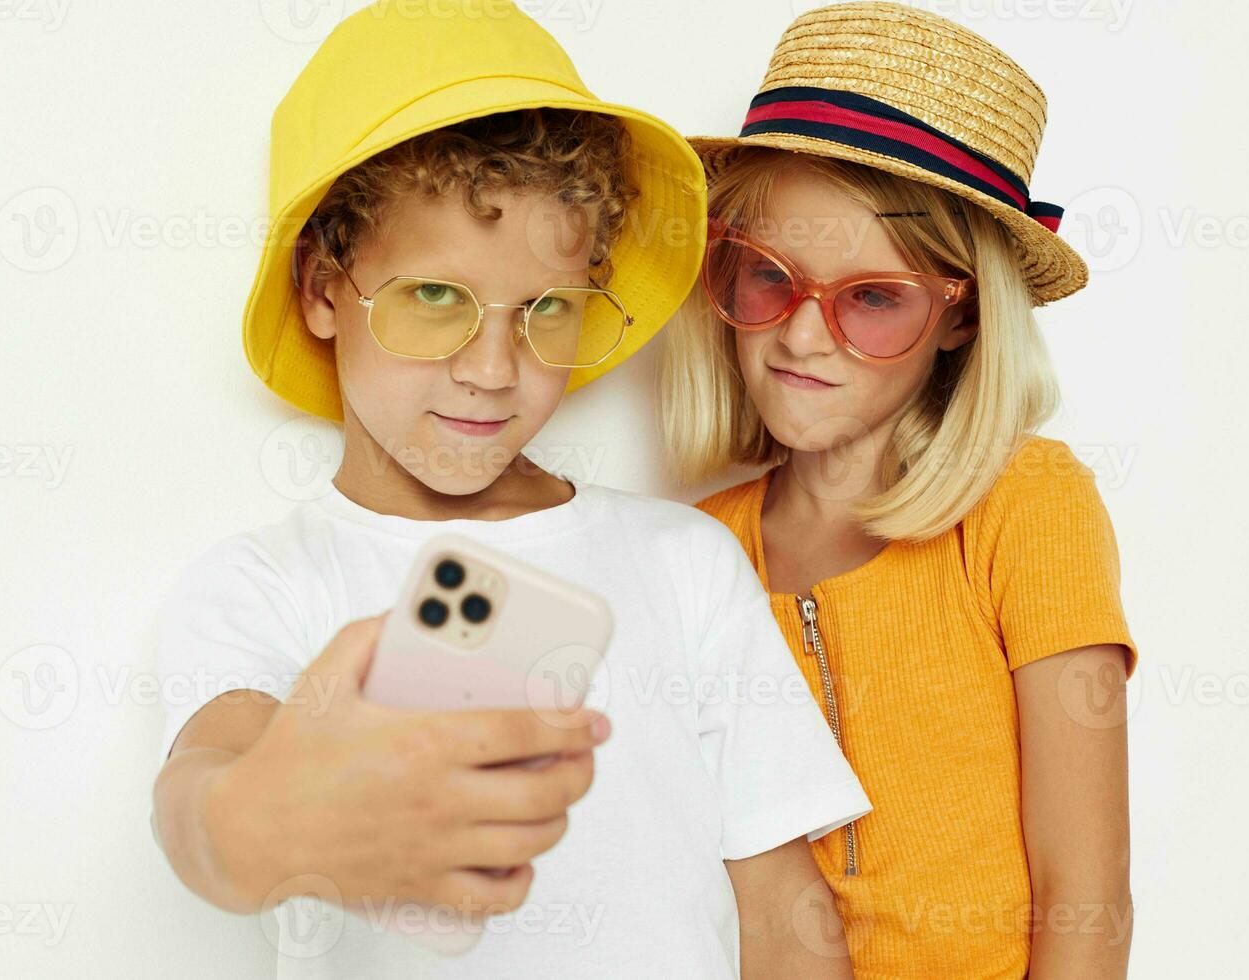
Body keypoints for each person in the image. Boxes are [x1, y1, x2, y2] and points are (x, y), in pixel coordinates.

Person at [150, 3, 870, 977]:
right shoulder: (264, 584)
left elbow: (785, 908)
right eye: (435, 297)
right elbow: (202, 806)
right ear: (323, 288)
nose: (493, 368)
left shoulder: (682, 562)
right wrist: (259, 820)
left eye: (547, 309)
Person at [661, 4, 1138, 977]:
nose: (800, 337)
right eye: (767, 278)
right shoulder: (698, 551)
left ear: (963, 316)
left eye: (872, 297)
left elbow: (1084, 890)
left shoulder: (1027, 504)